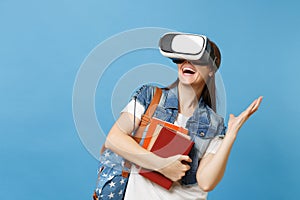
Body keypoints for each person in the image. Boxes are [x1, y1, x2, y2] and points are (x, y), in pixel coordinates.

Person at [104, 33, 263, 200]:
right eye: (183, 57)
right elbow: (114, 139)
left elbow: (206, 182)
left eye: (198, 58)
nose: (188, 62)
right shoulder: (150, 97)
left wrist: (231, 134)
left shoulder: (214, 125)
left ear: (211, 70)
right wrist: (161, 164)